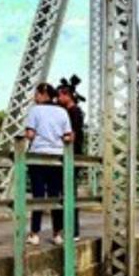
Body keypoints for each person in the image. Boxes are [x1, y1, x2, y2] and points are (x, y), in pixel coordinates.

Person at [25, 82, 73, 246]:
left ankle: (34, 234)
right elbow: (68, 136)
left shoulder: (35, 110)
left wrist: (34, 135)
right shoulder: (62, 112)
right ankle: (57, 234)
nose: (34, 97)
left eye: (36, 94)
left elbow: (30, 134)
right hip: (57, 158)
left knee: (38, 195)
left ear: (43, 94)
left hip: (38, 156)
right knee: (55, 196)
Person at [57, 76, 85, 238]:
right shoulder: (71, 112)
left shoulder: (73, 112)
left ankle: (73, 231)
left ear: (67, 95)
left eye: (60, 95)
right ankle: (67, 229)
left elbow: (72, 136)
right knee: (65, 193)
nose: (58, 98)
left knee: (69, 193)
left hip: (72, 157)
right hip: (71, 156)